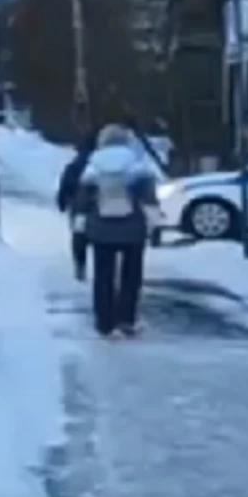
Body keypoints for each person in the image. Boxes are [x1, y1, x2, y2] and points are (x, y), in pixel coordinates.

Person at [74, 123, 161, 338]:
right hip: (133, 229)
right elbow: (148, 198)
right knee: (131, 275)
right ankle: (127, 319)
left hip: (101, 229)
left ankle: (104, 322)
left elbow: (83, 201)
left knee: (103, 276)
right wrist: (154, 222)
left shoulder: (93, 167)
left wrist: (80, 226)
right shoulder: (137, 165)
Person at [54, 133, 97, 281]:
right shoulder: (101, 164)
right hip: (99, 205)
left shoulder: (75, 165)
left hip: (78, 205)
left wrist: (62, 202)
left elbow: (66, 184)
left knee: (79, 237)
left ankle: (80, 265)